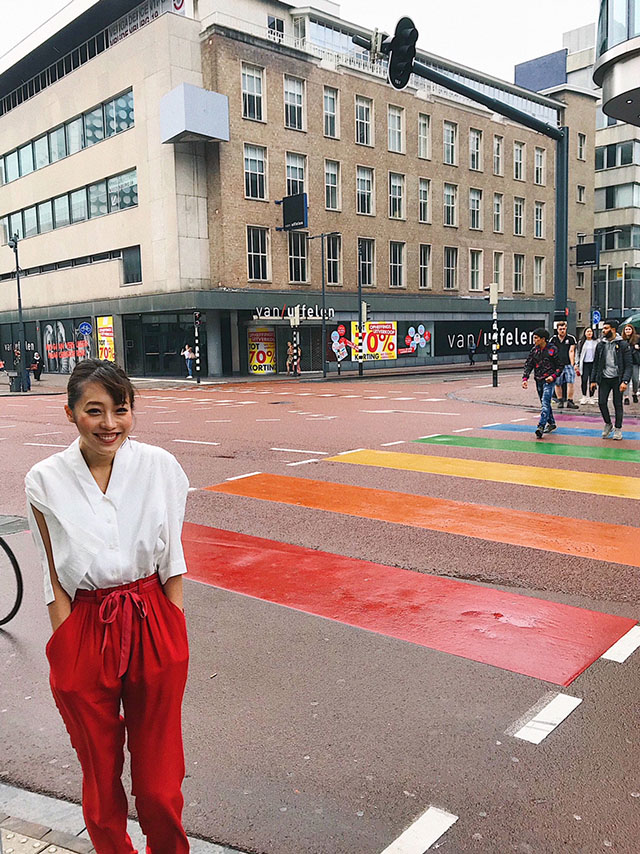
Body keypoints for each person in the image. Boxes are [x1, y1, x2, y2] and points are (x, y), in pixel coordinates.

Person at [25, 359, 190, 853]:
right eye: (94, 410)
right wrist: (65, 639)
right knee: (99, 778)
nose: (109, 424)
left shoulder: (159, 466)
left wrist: (173, 626)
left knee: (159, 785)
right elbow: (51, 570)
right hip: (85, 622)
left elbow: (172, 556)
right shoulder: (44, 480)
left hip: (152, 616)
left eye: (121, 409)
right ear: (70, 412)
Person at [590, 318, 632, 440]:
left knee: (617, 403)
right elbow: (596, 364)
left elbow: (628, 365)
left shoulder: (623, 345)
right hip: (604, 378)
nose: (603, 330)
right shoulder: (600, 345)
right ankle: (608, 423)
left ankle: (618, 429)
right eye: (603, 328)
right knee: (602, 402)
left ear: (613, 330)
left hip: (618, 379)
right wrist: (593, 380)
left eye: (606, 328)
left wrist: (625, 381)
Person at [522, 328, 562, 439]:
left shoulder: (552, 349)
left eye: (536, 338)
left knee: (545, 402)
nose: (534, 340)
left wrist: (553, 376)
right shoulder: (534, 350)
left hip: (549, 381)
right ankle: (552, 423)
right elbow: (529, 364)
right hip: (538, 380)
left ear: (543, 339)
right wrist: (525, 378)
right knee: (545, 403)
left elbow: (560, 366)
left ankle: (540, 426)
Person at [550, 320, 578, 409]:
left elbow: (571, 351)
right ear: (557, 330)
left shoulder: (571, 339)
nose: (562, 331)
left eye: (564, 329)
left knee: (570, 382)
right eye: (560, 329)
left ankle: (570, 401)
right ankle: (560, 400)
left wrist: (573, 364)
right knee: (557, 383)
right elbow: (551, 352)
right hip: (557, 365)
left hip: (568, 364)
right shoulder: (553, 339)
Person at [576, 328, 597, 404]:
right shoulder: (581, 342)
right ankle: (584, 396)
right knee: (584, 380)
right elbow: (578, 353)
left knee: (592, 380)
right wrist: (577, 363)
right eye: (587, 331)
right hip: (584, 364)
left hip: (593, 364)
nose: (589, 333)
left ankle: (591, 397)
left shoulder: (596, 342)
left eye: (590, 331)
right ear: (584, 333)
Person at [621, 323, 640, 404]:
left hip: (634, 361)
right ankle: (626, 397)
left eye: (629, 329)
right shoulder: (622, 340)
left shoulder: (637, 338)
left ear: (632, 330)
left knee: (635, 380)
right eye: (626, 329)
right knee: (626, 380)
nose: (628, 331)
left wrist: (638, 347)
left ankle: (634, 393)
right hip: (625, 362)